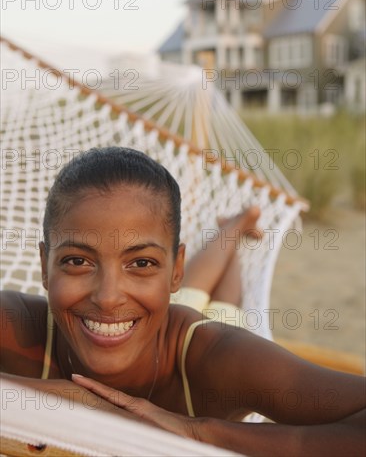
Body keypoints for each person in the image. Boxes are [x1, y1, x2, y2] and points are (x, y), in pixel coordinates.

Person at [1, 147, 365, 457]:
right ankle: (229, 229)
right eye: (78, 261)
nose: (108, 297)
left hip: (184, 332)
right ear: (45, 267)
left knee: (222, 307)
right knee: (193, 296)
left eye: (141, 262)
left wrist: (197, 433)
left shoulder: (218, 358)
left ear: (176, 269)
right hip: (147, 320)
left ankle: (233, 229)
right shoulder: (15, 323)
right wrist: (76, 398)